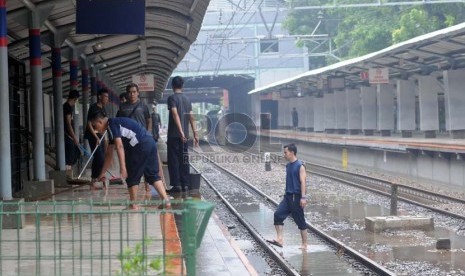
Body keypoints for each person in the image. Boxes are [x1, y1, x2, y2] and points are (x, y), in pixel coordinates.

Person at [92, 113, 170, 210]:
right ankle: (166, 201)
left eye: (95, 126)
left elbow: (119, 146)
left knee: (132, 175)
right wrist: (102, 174)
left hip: (140, 145)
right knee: (153, 175)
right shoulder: (114, 128)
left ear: (100, 122)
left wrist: (123, 168)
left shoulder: (112, 124)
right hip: (150, 142)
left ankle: (133, 205)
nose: (96, 130)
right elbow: (109, 153)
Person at [267, 143, 308, 249]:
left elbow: (303, 182)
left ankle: (304, 244)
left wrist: (303, 197)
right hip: (288, 196)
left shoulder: (300, 166)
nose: (284, 154)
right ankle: (279, 239)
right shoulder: (288, 166)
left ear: (292, 152)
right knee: (278, 214)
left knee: (300, 221)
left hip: (296, 197)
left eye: (285, 152)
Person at [117, 83, 153, 193]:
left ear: (138, 93)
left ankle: (147, 187)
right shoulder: (122, 107)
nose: (132, 94)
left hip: (141, 139)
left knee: (145, 163)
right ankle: (133, 189)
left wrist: (148, 133)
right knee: (131, 164)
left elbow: (148, 120)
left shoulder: (143, 106)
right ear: (127, 93)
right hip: (128, 141)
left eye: (134, 92)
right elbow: (119, 123)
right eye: (130, 92)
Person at [166, 76, 198, 193]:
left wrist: (180, 132)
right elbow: (192, 117)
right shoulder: (187, 99)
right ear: (182, 86)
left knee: (174, 160)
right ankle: (185, 184)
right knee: (184, 159)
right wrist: (195, 133)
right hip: (185, 136)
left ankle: (177, 185)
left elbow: (175, 114)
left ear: (172, 86)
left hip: (175, 135)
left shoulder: (171, 98)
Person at [84, 88, 109, 189]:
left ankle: (96, 178)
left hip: (101, 135)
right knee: (100, 157)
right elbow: (89, 123)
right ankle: (97, 177)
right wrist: (96, 137)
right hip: (93, 135)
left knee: (100, 157)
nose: (107, 98)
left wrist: (105, 139)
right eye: (105, 96)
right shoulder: (93, 108)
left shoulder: (103, 108)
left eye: (107, 97)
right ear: (100, 97)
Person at [63, 89, 81, 178]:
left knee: (75, 153)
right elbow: (68, 124)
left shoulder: (67, 107)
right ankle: (67, 175)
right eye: (77, 100)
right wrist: (74, 137)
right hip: (68, 135)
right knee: (70, 155)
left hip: (69, 135)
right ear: (75, 98)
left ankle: (69, 174)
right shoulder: (67, 107)